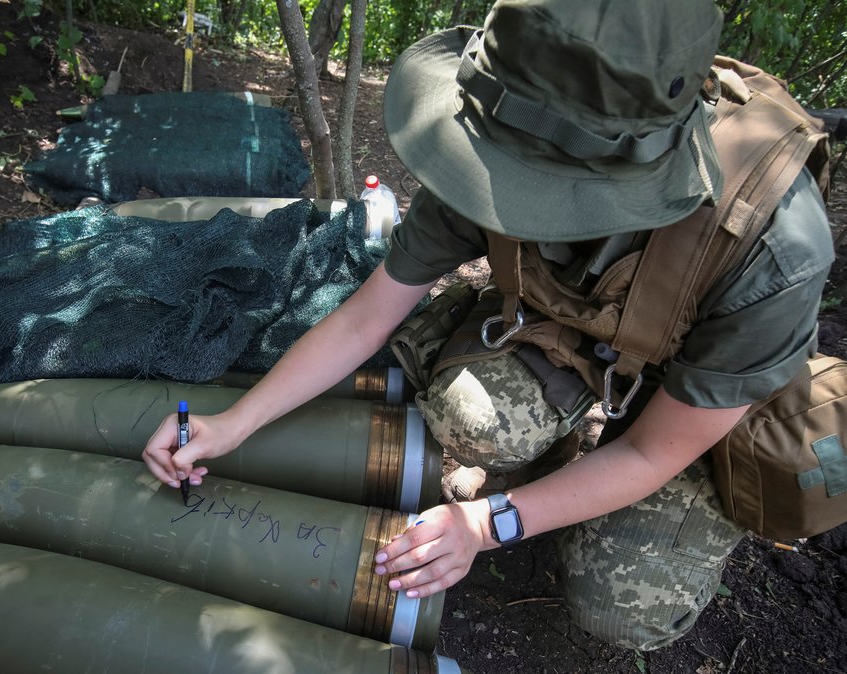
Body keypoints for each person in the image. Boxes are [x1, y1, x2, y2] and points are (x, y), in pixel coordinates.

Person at [143, 0, 834, 651]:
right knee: (469, 419)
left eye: (543, 188)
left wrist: (488, 522)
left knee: (623, 602)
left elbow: (655, 453)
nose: (510, 195)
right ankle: (557, 466)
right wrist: (235, 422)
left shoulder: (774, 248)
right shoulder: (496, 133)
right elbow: (368, 317)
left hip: (694, 404)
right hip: (580, 338)